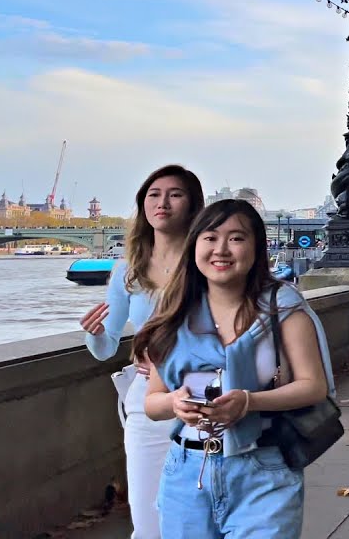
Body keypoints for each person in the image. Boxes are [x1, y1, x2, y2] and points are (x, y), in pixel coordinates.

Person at [135, 199, 335, 538]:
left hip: (264, 469)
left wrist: (248, 402)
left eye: (237, 238)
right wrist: (175, 403)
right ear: (194, 246)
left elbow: (312, 385)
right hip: (187, 474)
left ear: (257, 248)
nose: (221, 249)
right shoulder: (174, 314)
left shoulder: (281, 306)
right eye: (210, 238)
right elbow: (153, 403)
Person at [79, 164, 204, 539]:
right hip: (146, 400)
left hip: (204, 395)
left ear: (192, 204)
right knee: (148, 516)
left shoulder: (207, 261)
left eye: (175, 194)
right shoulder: (127, 271)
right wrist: (94, 334)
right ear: (143, 205)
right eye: (154, 194)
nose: (162, 202)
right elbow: (106, 348)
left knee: (201, 514)